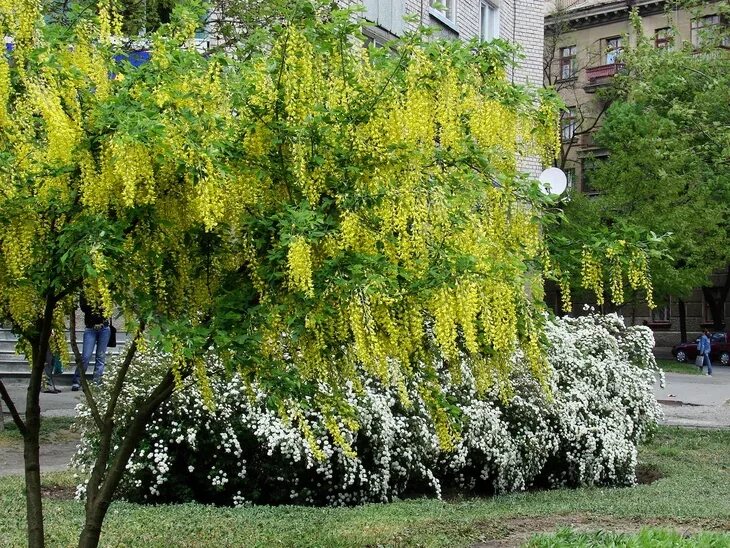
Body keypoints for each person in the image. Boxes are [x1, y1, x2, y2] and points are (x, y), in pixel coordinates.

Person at [71, 294, 111, 391]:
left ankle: (96, 383)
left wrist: (101, 321)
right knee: (86, 356)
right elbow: (84, 307)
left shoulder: (104, 289)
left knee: (100, 357)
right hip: (90, 328)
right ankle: (77, 381)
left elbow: (108, 307)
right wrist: (94, 302)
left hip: (104, 328)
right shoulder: (86, 291)